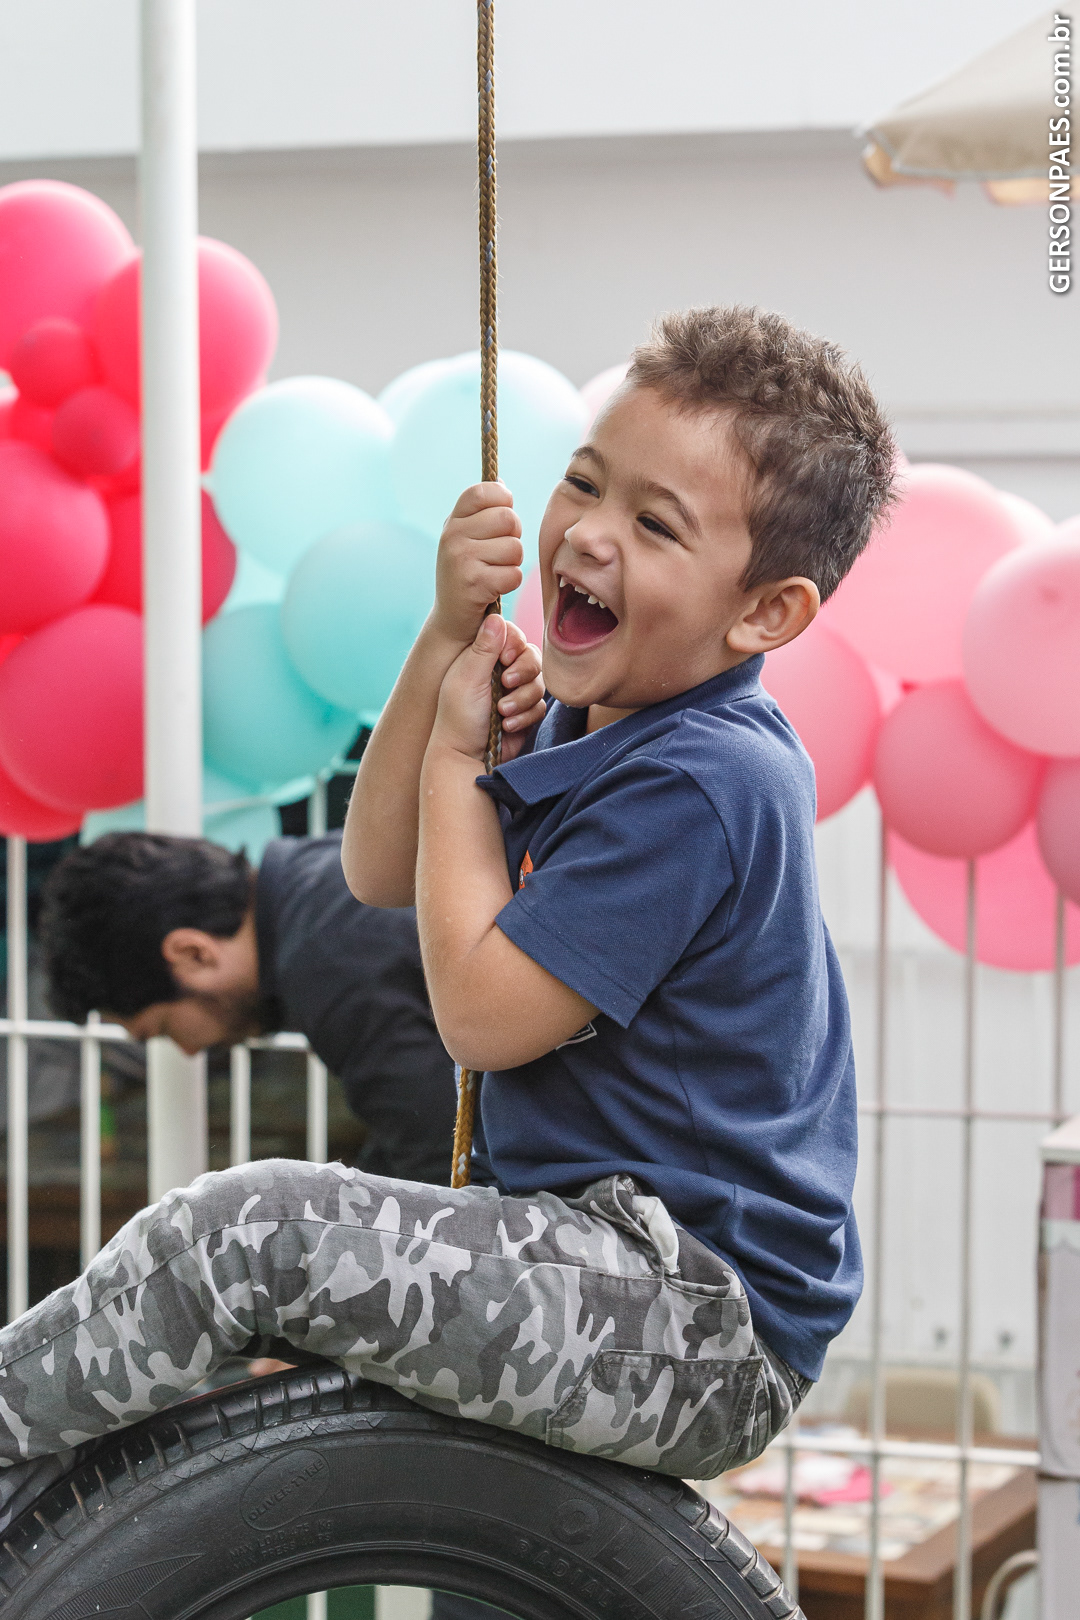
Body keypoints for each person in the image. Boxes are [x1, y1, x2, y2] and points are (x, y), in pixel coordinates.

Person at [0, 306, 894, 1538]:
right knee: (254, 1249)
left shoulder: (706, 776)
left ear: (765, 615)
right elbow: (376, 868)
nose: (587, 531)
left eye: (655, 524)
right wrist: (438, 644)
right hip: (600, 1269)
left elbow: (480, 1018)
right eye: (585, 481)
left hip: (694, 1319)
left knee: (243, 1234)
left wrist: (459, 759)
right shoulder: (600, 721)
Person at [38, 830, 457, 1186]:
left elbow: (447, 1178)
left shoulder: (329, 965)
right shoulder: (323, 871)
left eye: (163, 1029)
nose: (188, 1050)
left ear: (193, 953)